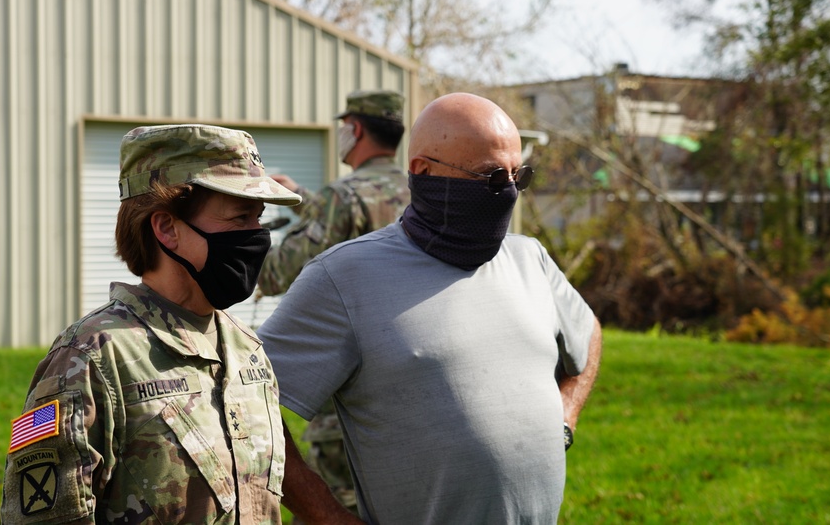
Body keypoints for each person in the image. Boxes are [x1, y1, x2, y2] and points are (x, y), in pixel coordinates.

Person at [258, 93, 604, 524]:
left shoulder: (529, 258)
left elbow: (587, 329)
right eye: (492, 178)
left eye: (520, 176)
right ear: (423, 172)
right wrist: (327, 516)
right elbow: (250, 401)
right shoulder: (342, 276)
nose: (509, 192)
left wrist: (565, 416)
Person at [0, 124, 357, 524]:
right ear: (167, 228)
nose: (258, 237)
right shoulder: (90, 359)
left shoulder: (245, 348)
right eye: (240, 218)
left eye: (259, 219)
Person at [256, 89, 410, 518]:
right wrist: (308, 201)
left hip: (349, 399)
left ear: (354, 128)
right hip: (414, 390)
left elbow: (275, 272)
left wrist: (240, 226)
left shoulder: (342, 198)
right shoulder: (421, 190)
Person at [257, 89, 409, 296]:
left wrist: (242, 231)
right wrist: (300, 196)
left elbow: (275, 277)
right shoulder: (416, 189)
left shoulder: (341, 195)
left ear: (356, 130)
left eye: (343, 125)